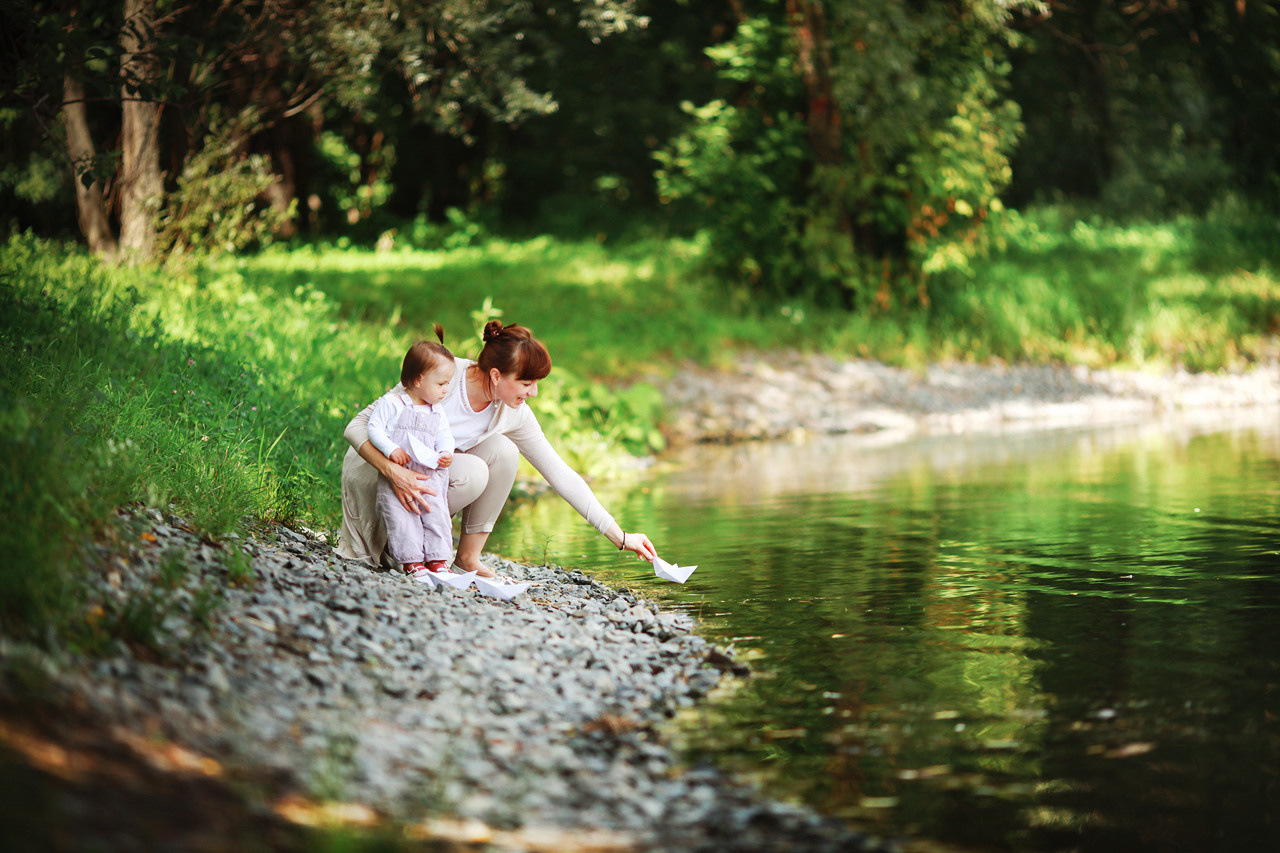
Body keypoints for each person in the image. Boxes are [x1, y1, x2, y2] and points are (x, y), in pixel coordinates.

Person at [338, 320, 657, 577]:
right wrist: (392, 471)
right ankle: (402, 547)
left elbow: (560, 473)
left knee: (504, 452)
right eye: (526, 383)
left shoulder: (513, 412)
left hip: (421, 478)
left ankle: (467, 559)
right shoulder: (443, 377)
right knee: (474, 470)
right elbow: (355, 426)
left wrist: (620, 536)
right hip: (376, 473)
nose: (533, 393)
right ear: (495, 374)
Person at [366, 330, 456, 582]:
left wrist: (445, 452)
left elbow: (445, 436)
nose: (446, 390)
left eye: (448, 383)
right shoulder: (393, 403)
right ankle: (412, 561)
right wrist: (391, 449)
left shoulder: (437, 411)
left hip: (430, 476)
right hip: (399, 476)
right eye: (441, 384)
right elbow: (374, 428)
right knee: (403, 517)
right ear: (418, 380)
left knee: (436, 515)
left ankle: (438, 560)